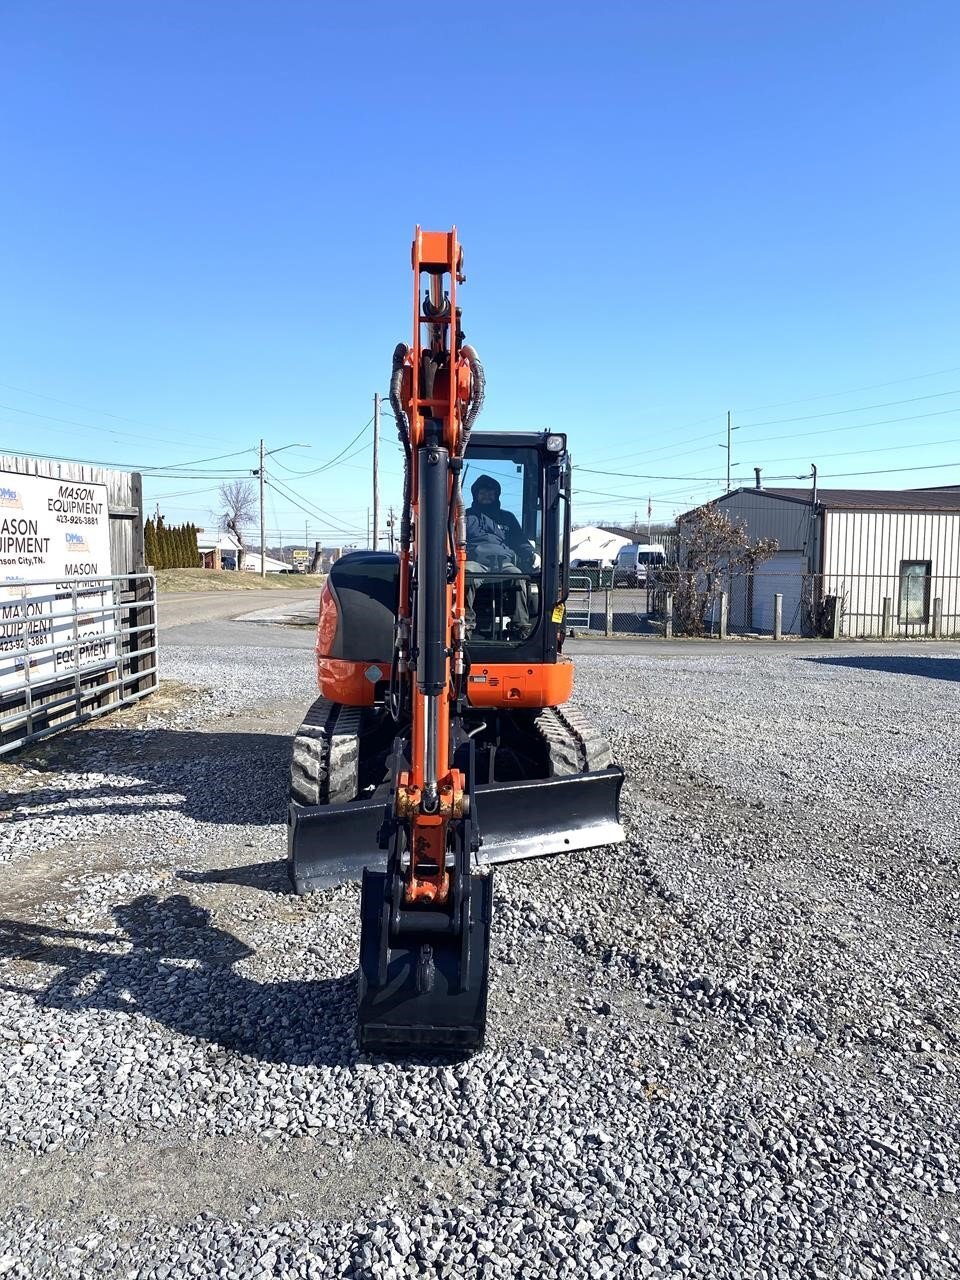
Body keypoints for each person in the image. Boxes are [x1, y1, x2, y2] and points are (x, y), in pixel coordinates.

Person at [464, 474, 534, 637]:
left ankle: (520, 626)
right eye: (482, 493)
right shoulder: (465, 517)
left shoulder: (507, 517)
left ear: (496, 495)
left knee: (518, 576)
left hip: (504, 564)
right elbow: (452, 541)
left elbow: (520, 541)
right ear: (476, 494)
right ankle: (466, 624)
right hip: (475, 563)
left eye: (490, 493)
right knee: (466, 574)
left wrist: (531, 553)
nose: (486, 496)